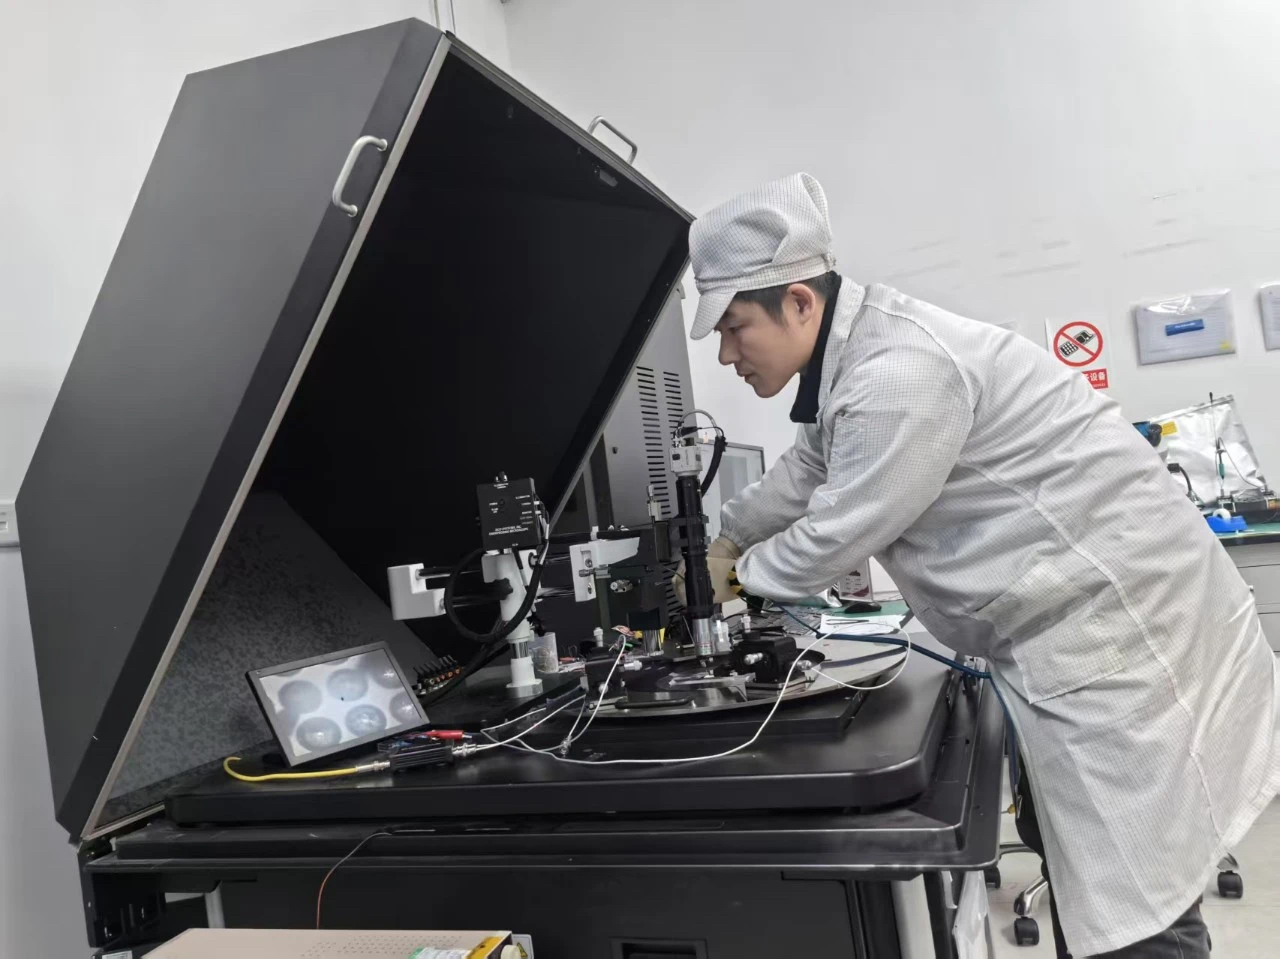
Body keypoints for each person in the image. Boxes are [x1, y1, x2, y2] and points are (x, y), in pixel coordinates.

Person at [682, 172, 1279, 957]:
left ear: (798, 301)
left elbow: (838, 533)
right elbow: (803, 475)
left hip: (1120, 640)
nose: (726, 353)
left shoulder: (898, 371)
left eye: (733, 327)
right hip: (1077, 636)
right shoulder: (855, 362)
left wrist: (729, 581)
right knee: (1105, 872)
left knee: (1140, 905)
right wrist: (723, 536)